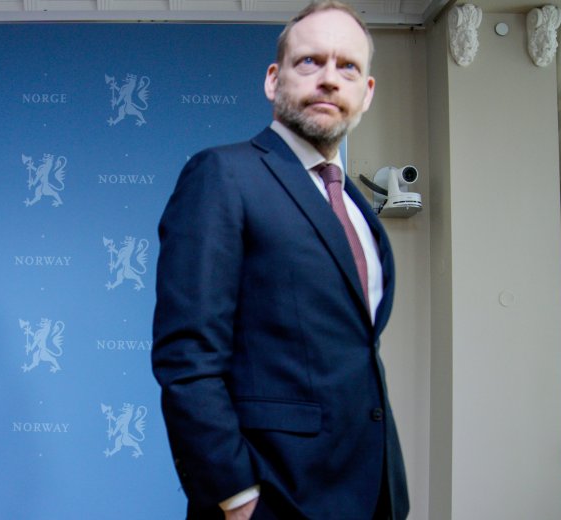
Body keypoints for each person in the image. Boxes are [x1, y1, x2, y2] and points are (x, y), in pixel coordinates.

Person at [151, 2, 408, 519]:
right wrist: (235, 496)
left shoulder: (357, 207)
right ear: (274, 80)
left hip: (370, 493)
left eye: (348, 67)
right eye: (310, 61)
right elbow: (187, 357)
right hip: (272, 498)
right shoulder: (222, 175)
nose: (329, 78)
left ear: (366, 93)